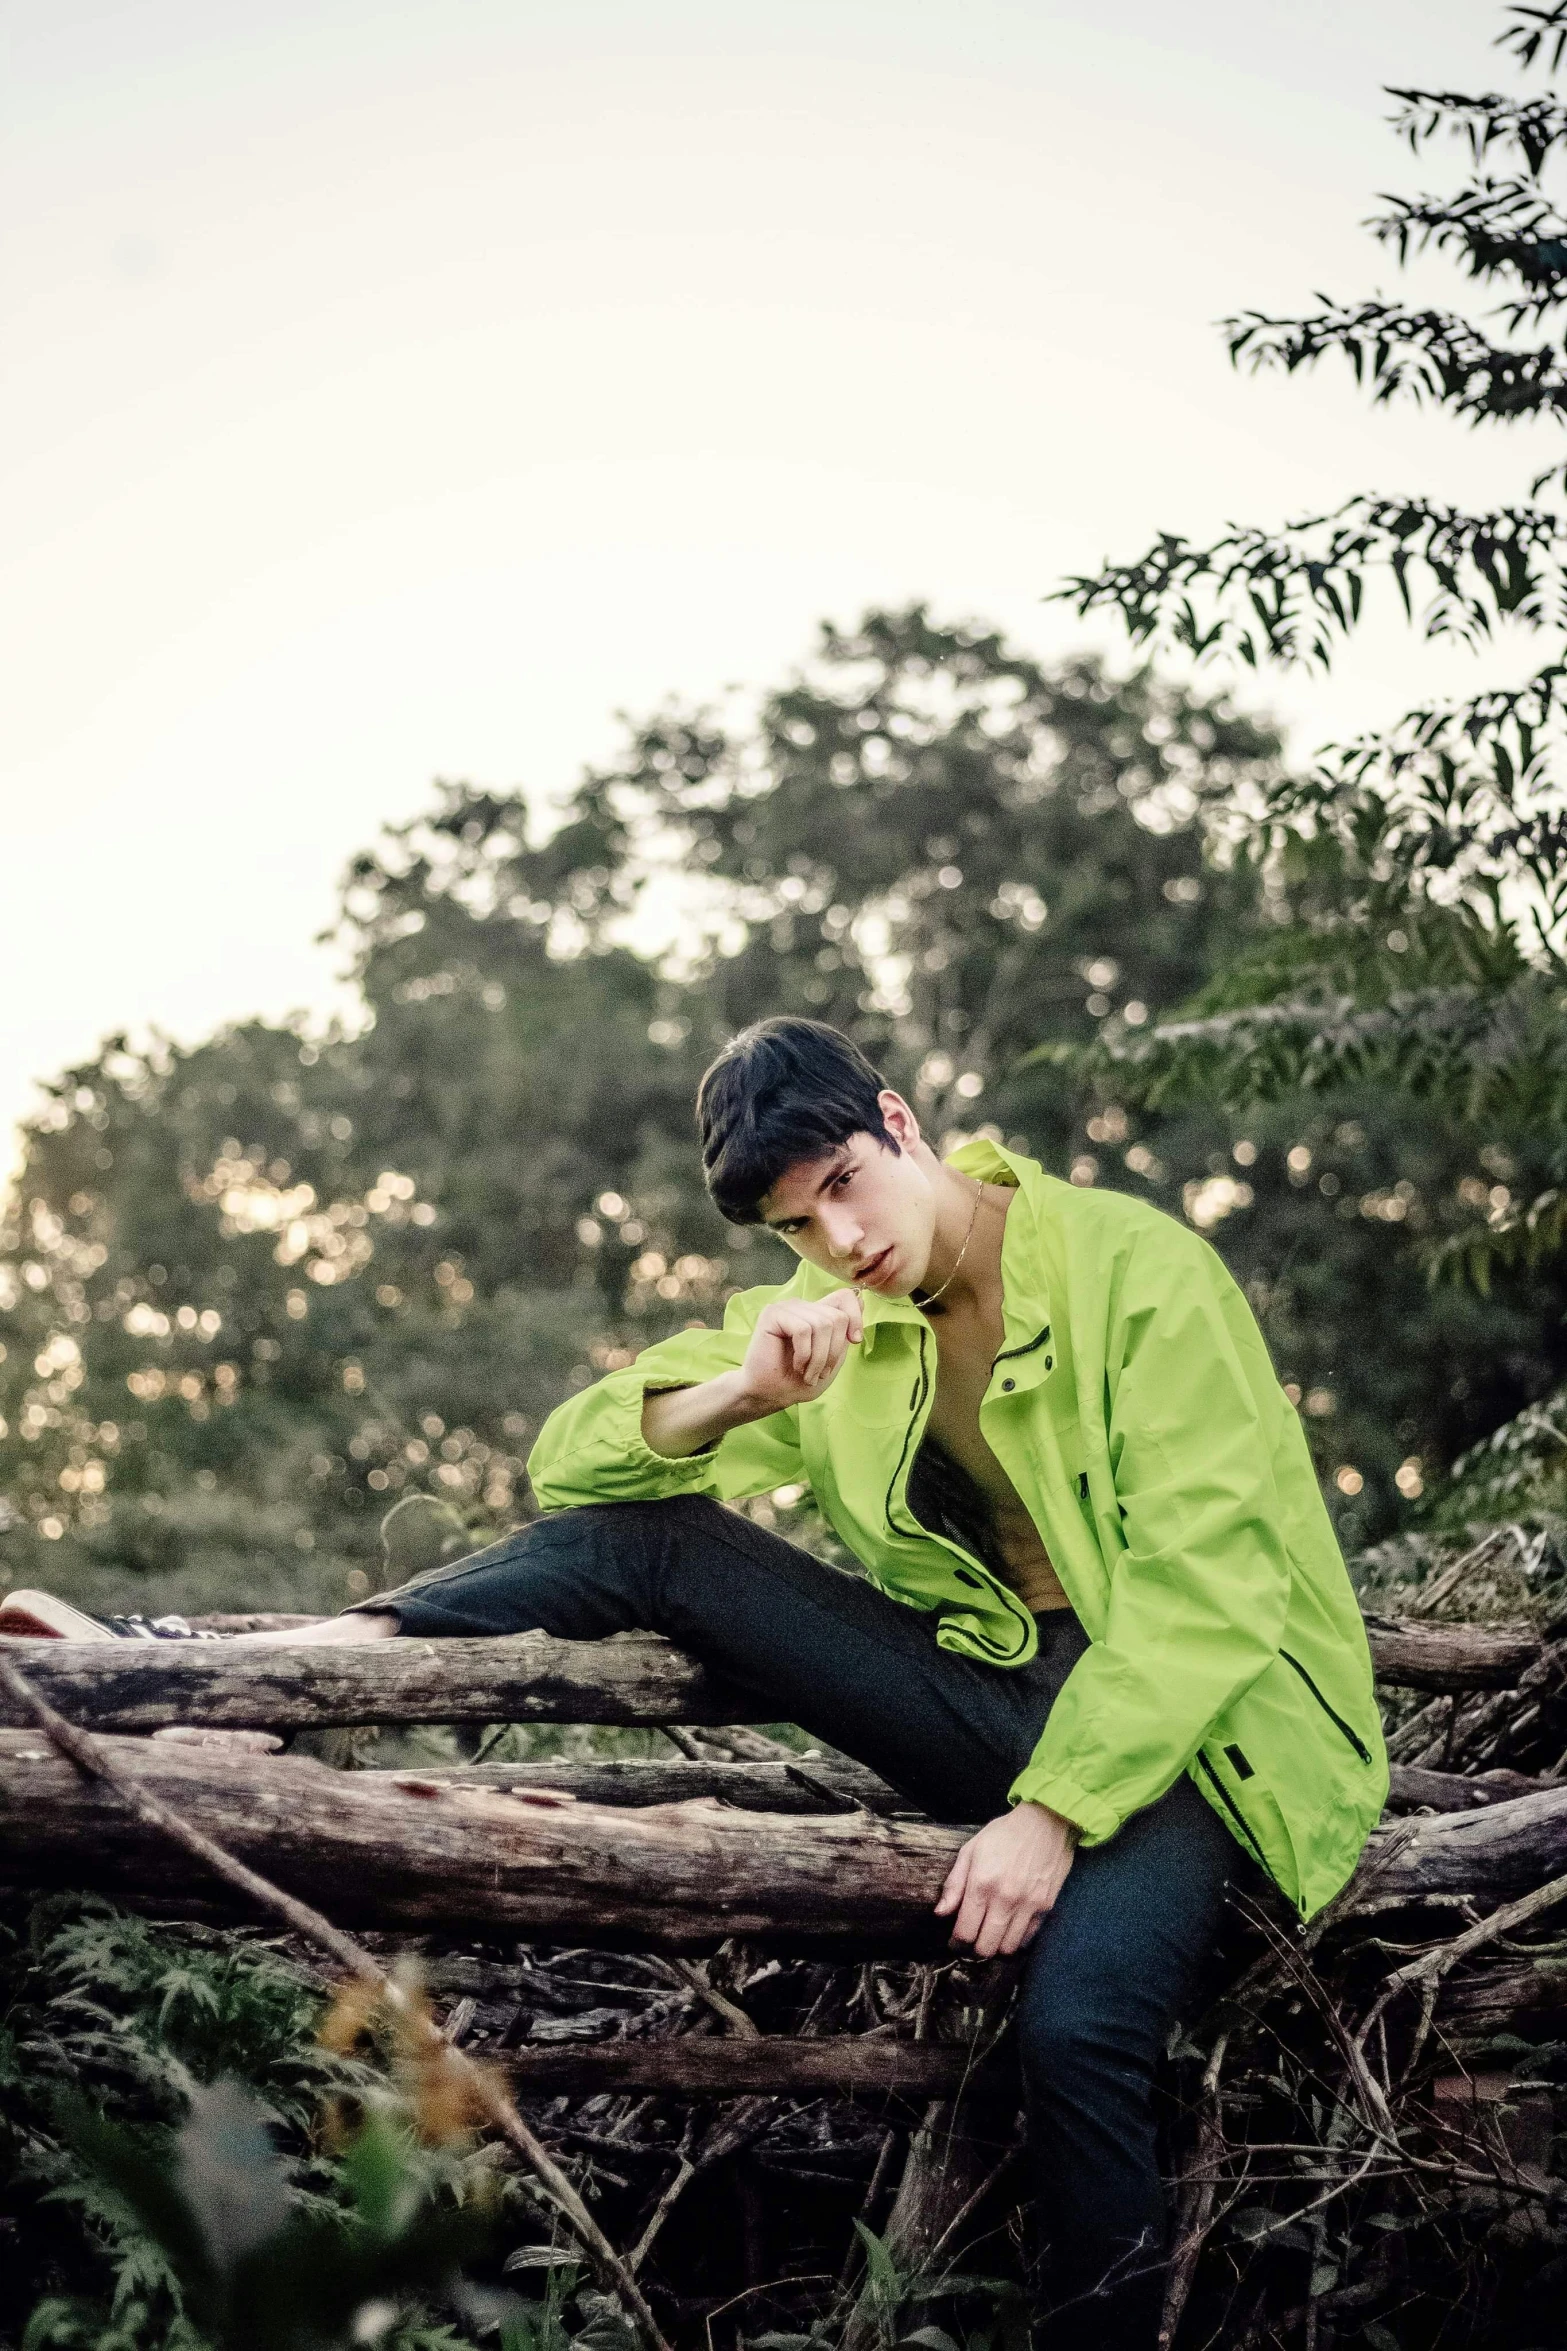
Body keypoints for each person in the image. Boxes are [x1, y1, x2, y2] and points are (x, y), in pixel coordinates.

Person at [1, 1017, 1387, 2344]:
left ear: (900, 1124)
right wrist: (742, 1392)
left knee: (1078, 2032)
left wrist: (1052, 1812)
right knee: (654, 1538)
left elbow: (1210, 1592)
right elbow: (574, 1468)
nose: (839, 1240)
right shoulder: (835, 1312)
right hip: (1002, 1689)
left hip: (1206, 1729)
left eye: (844, 1186)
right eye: (796, 1225)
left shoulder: (1138, 1269)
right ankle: (262, 1674)